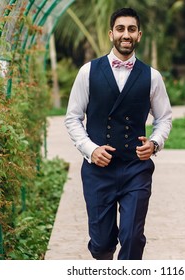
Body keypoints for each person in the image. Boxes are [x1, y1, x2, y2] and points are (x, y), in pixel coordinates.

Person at [64, 7, 172, 260]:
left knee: (133, 238)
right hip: (98, 170)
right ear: (111, 33)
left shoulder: (152, 76)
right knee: (101, 244)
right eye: (121, 29)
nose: (126, 34)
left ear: (139, 35)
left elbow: (164, 118)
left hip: (136, 168)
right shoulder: (88, 72)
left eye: (131, 29)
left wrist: (155, 143)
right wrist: (91, 149)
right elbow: (73, 117)